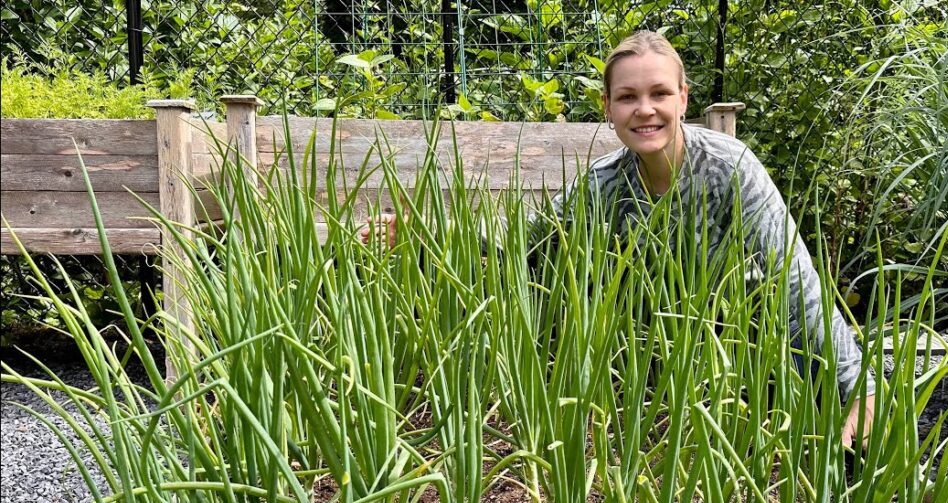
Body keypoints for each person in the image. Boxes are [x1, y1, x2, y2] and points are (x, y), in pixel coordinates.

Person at [363, 30, 877, 448]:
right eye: (628, 97)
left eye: (659, 94)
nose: (644, 109)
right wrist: (426, 235)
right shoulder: (604, 185)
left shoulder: (730, 169)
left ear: (683, 99)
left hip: (736, 352)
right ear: (607, 106)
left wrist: (857, 387)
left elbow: (795, 282)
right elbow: (525, 248)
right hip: (645, 364)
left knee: (822, 417)